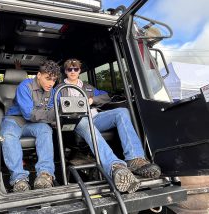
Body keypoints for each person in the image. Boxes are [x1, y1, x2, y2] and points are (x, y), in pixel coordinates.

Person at [59, 58, 161, 193]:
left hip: (94, 117)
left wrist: (92, 100)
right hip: (76, 122)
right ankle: (114, 166)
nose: (72, 72)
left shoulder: (88, 87)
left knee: (122, 112)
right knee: (85, 121)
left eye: (75, 69)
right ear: (65, 71)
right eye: (69, 69)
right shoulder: (60, 89)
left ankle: (135, 159)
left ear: (79, 70)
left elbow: (106, 97)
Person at [0, 60, 61, 192]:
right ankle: (19, 178)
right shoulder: (25, 86)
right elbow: (29, 114)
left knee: (46, 129)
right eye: (48, 78)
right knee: (8, 135)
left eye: (54, 80)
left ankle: (45, 175)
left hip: (35, 124)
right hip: (14, 120)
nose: (51, 83)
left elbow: (52, 110)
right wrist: (52, 115)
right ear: (38, 75)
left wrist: (52, 116)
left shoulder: (53, 91)